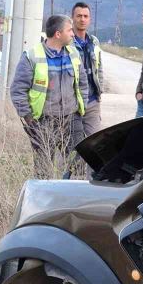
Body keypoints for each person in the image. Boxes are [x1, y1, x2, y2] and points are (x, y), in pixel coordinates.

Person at [10, 14, 89, 179]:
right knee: (43, 168)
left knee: (78, 165)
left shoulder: (73, 54)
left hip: (71, 119)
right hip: (43, 122)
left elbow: (82, 83)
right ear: (58, 34)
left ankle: (71, 199)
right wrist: (29, 118)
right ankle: (46, 202)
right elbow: (18, 90)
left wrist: (82, 108)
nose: (73, 34)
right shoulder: (32, 56)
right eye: (69, 30)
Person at [71, 2, 104, 138]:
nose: (82, 19)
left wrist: (99, 92)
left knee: (96, 142)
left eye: (86, 16)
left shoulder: (94, 41)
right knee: (75, 146)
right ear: (72, 18)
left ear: (90, 19)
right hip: (73, 104)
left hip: (92, 102)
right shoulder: (67, 42)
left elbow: (99, 69)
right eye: (79, 16)